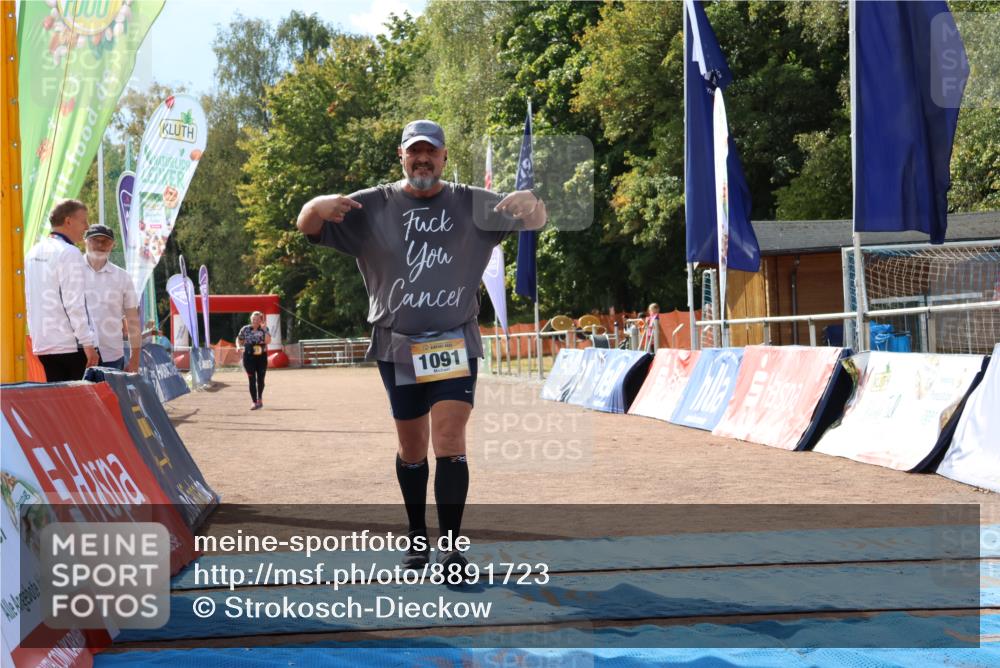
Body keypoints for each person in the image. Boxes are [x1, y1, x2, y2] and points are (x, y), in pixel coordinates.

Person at [296, 119, 546, 573]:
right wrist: (318, 202)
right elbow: (306, 226)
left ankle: (451, 547)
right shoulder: (371, 206)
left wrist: (532, 204)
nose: (423, 159)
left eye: (431, 151)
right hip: (398, 346)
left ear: (444, 157)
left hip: (454, 339)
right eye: (415, 152)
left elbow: (537, 219)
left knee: (450, 438)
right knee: (412, 448)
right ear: (402, 156)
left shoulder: (473, 203)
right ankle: (417, 538)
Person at [24, 199, 99, 381]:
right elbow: (74, 303)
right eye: (84, 221)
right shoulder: (69, 253)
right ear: (68, 221)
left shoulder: (32, 252)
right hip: (71, 345)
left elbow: (29, 299)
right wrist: (88, 344)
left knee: (60, 406)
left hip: (43, 343)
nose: (87, 227)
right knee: (81, 407)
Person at [81, 225, 141, 371]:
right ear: (85, 241)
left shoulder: (123, 277)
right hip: (77, 355)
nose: (100, 245)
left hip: (112, 357)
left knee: (112, 395)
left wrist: (134, 359)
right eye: (95, 240)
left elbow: (132, 320)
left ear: (113, 245)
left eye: (106, 242)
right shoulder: (70, 271)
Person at [237, 311, 271, 410]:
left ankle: (260, 398)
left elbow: (268, 341)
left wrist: (265, 331)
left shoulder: (265, 329)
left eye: (257, 319)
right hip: (248, 357)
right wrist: (239, 346)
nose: (255, 321)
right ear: (251, 319)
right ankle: (254, 402)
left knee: (261, 380)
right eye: (253, 319)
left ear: (261, 320)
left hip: (261, 357)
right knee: (252, 380)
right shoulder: (245, 329)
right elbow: (239, 339)